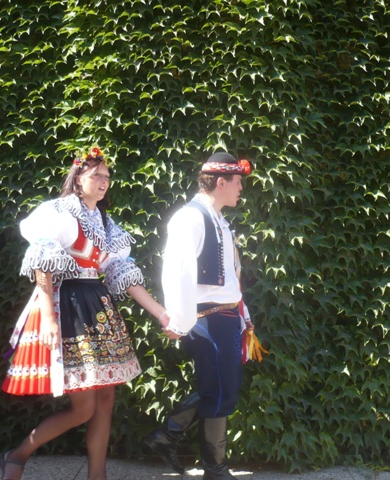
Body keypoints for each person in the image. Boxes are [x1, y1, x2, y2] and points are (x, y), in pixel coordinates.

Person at [0, 148, 169, 480]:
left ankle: (97, 475)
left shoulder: (106, 223)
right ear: (78, 179)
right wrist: (48, 318)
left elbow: (122, 273)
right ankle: (17, 454)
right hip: (69, 306)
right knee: (84, 407)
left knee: (106, 398)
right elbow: (43, 264)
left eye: (107, 176)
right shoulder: (60, 213)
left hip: (97, 305)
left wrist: (161, 314)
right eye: (96, 176)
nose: (104, 182)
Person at [146, 152, 254, 480]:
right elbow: (178, 272)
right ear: (221, 182)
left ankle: (168, 435)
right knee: (220, 392)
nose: (241, 189)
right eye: (237, 182)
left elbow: (230, 277)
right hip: (208, 319)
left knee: (219, 388)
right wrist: (179, 321)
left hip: (226, 318)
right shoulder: (191, 218)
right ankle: (215, 470)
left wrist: (243, 314)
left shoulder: (218, 219)